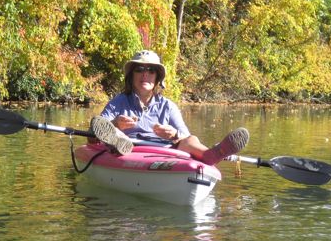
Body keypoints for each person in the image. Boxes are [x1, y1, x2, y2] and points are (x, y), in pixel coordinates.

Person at [90, 50, 249, 165]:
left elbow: (185, 137)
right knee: (112, 130)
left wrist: (174, 135)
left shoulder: (168, 106)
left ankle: (212, 154)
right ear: (131, 76)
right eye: (139, 70)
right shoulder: (119, 101)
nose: (145, 75)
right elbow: (94, 133)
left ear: (157, 78)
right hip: (129, 150)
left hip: (164, 151)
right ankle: (119, 143)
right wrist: (116, 124)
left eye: (151, 70)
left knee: (190, 139)